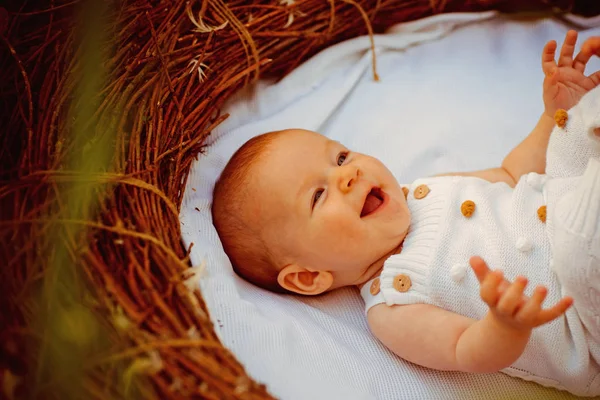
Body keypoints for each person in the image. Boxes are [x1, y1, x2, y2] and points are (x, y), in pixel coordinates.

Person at [212, 30, 600, 396]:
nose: (348, 175)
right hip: (580, 316)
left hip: (568, 207)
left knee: (578, 136)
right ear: (309, 276)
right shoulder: (394, 307)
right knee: (579, 234)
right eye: (317, 195)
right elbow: (467, 350)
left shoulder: (422, 190)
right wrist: (503, 324)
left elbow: (512, 174)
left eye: (341, 156)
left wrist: (554, 115)